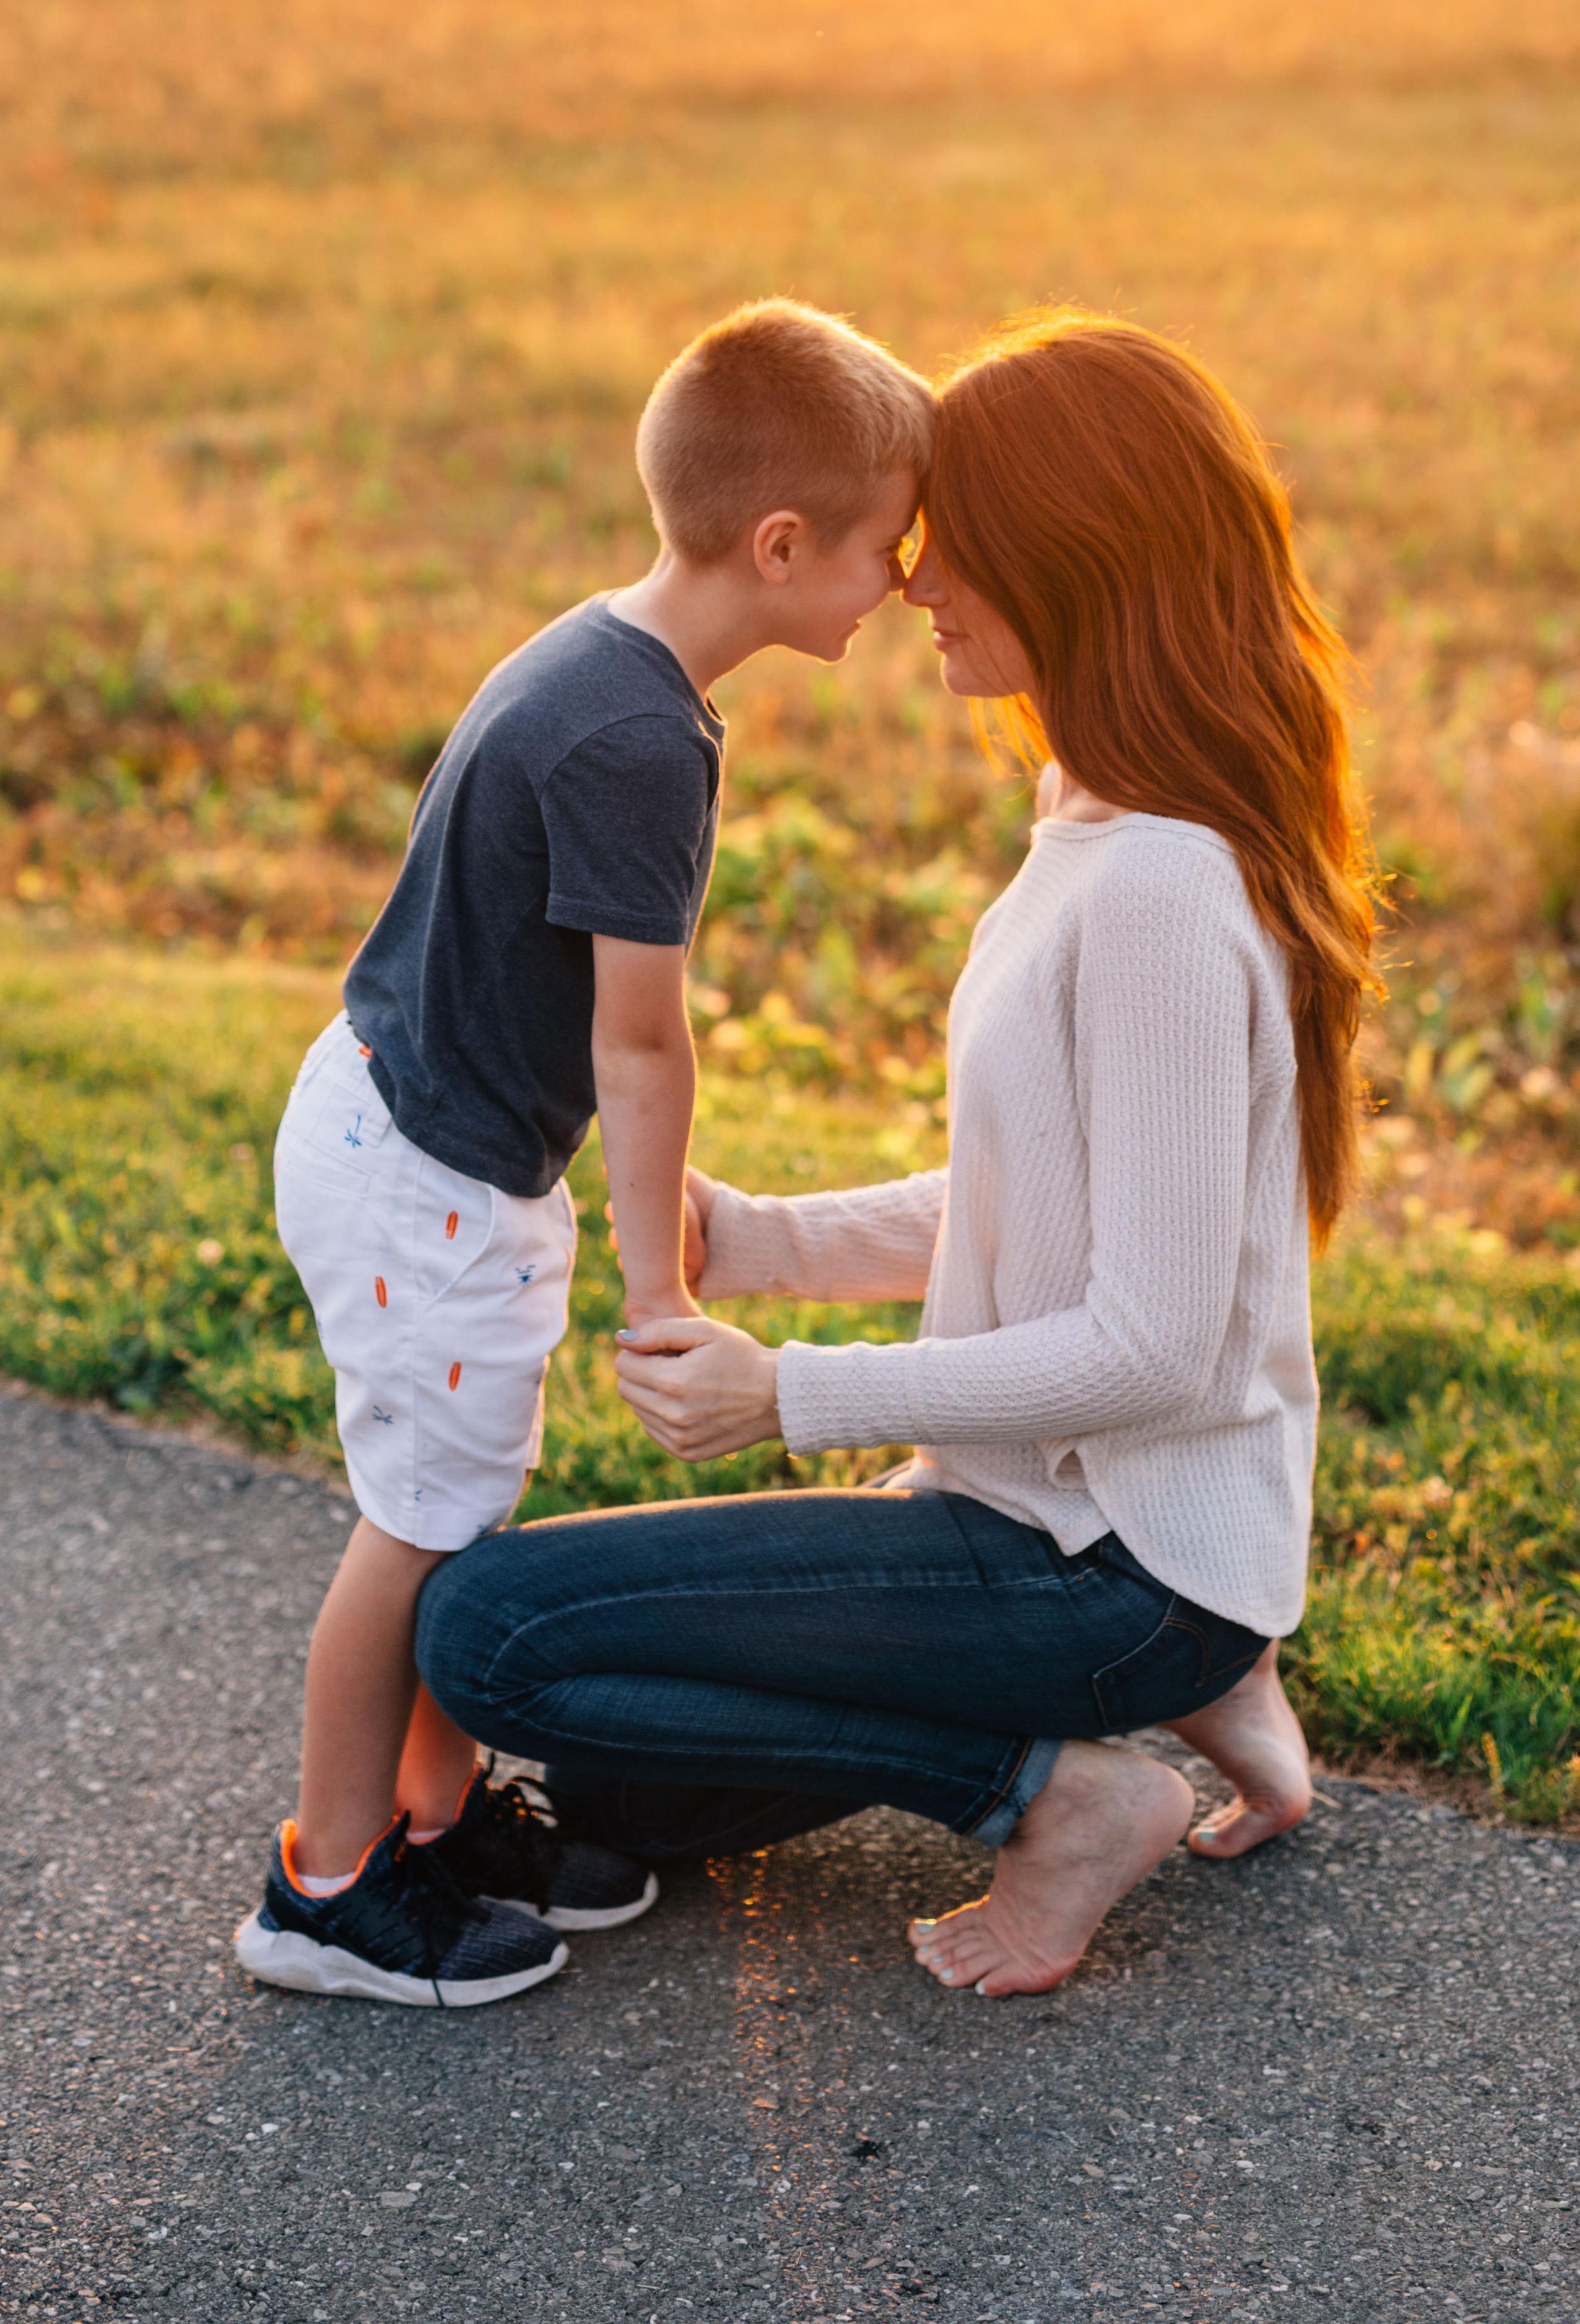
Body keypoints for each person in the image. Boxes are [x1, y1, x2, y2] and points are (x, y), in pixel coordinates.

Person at [415, 311, 1376, 1999]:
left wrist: (788, 1393)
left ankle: (1063, 1788)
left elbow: (1148, 1349)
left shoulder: (1155, 891)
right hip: (1100, 1535)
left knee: (493, 1640)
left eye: (951, 541)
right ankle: (1213, 1681)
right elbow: (1041, 1209)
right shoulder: (1101, 816)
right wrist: (760, 1237)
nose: (914, 578)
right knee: (627, 1799)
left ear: (1077, 563)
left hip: (1096, 1561)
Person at [233, 301, 931, 2005]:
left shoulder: (604, 655)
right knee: (418, 1526)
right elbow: (640, 1041)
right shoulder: (641, 739)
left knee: (457, 1510)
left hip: (410, 1126)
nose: (902, 584)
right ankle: (328, 1888)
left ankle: (435, 1814)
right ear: (780, 547)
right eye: (883, 552)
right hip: (431, 1175)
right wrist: (656, 1286)